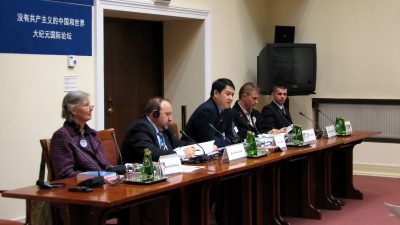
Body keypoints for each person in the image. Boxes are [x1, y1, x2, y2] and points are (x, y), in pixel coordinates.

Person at [50, 91, 112, 180]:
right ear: (73, 110)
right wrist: (96, 177)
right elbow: (65, 173)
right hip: (80, 189)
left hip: (101, 184)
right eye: (86, 105)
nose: (91, 108)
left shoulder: (92, 133)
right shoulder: (62, 135)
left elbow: (105, 164)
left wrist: (117, 173)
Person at [120, 97, 196, 163]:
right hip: (140, 174)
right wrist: (180, 154)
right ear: (155, 114)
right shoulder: (140, 127)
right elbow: (151, 153)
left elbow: (176, 144)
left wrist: (195, 147)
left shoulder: (165, 127)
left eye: (171, 114)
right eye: (167, 114)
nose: (170, 119)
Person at [182, 78, 235, 147]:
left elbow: (230, 137)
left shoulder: (228, 110)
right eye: (228, 94)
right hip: (192, 151)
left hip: (214, 151)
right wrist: (225, 141)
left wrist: (226, 140)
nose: (231, 98)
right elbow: (209, 141)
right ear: (216, 93)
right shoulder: (206, 111)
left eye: (232, 95)